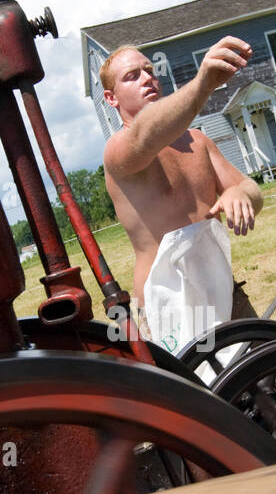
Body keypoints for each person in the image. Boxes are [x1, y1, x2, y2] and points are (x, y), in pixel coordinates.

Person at [102, 38, 264, 347]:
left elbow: (252, 190)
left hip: (222, 288)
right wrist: (203, 83)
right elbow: (146, 133)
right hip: (166, 302)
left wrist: (239, 194)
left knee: (265, 375)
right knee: (199, 392)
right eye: (132, 76)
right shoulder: (118, 152)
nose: (147, 78)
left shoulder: (198, 141)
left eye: (149, 70)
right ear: (111, 98)